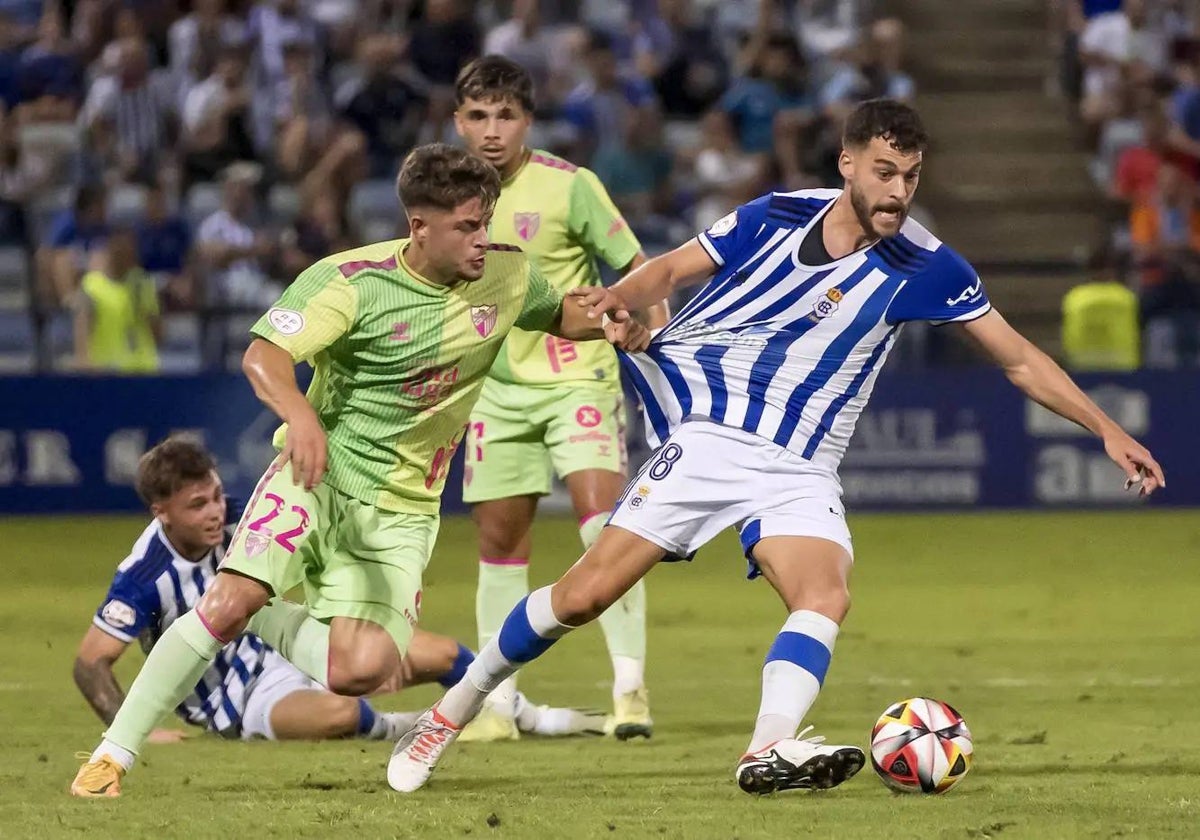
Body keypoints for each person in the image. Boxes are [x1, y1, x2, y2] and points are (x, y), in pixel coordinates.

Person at [387, 99, 1166, 795]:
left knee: (824, 596)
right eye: (886, 172)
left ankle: (767, 748)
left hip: (799, 465)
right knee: (581, 598)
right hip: (708, 433)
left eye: (913, 176)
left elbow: (1019, 358)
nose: (899, 191)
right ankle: (452, 710)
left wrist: (1107, 427)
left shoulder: (928, 266)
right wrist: (620, 305)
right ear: (848, 164)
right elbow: (669, 268)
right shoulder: (776, 215)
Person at [71, 142, 649, 798]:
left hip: (404, 508)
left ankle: (267, 614)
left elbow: (558, 313)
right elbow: (263, 355)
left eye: (485, 222)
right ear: (418, 227)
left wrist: (605, 320)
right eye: (465, 227)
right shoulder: (350, 281)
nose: (481, 240)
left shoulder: (507, 275)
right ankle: (112, 756)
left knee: (358, 671)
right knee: (226, 603)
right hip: (315, 478)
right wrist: (303, 415)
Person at [74, 438, 600, 747]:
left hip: (298, 640)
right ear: (161, 512)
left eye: (214, 495)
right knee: (341, 715)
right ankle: (422, 731)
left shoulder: (247, 516)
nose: (214, 511)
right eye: (196, 505)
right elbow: (90, 663)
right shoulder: (144, 576)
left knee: (442, 653)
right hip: (241, 700)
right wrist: (135, 729)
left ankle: (521, 715)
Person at [452, 55, 668, 741]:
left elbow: (639, 270)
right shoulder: (447, 195)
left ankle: (630, 692)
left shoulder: (571, 187)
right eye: (479, 116)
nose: (492, 131)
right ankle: (497, 706)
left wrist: (655, 342)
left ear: (528, 122)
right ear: (458, 122)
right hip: (493, 386)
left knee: (603, 528)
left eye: (506, 116)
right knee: (499, 543)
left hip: (577, 372)